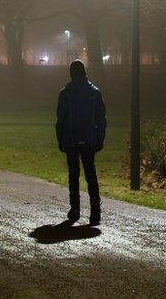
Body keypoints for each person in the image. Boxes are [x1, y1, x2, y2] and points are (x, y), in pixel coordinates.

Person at [56, 59, 106, 225]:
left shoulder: (65, 93)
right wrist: (99, 139)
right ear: (85, 72)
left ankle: (75, 208)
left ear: (71, 73)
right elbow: (101, 119)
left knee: (73, 174)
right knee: (90, 173)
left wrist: (60, 139)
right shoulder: (94, 92)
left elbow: (60, 119)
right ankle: (95, 211)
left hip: (71, 138)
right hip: (90, 138)